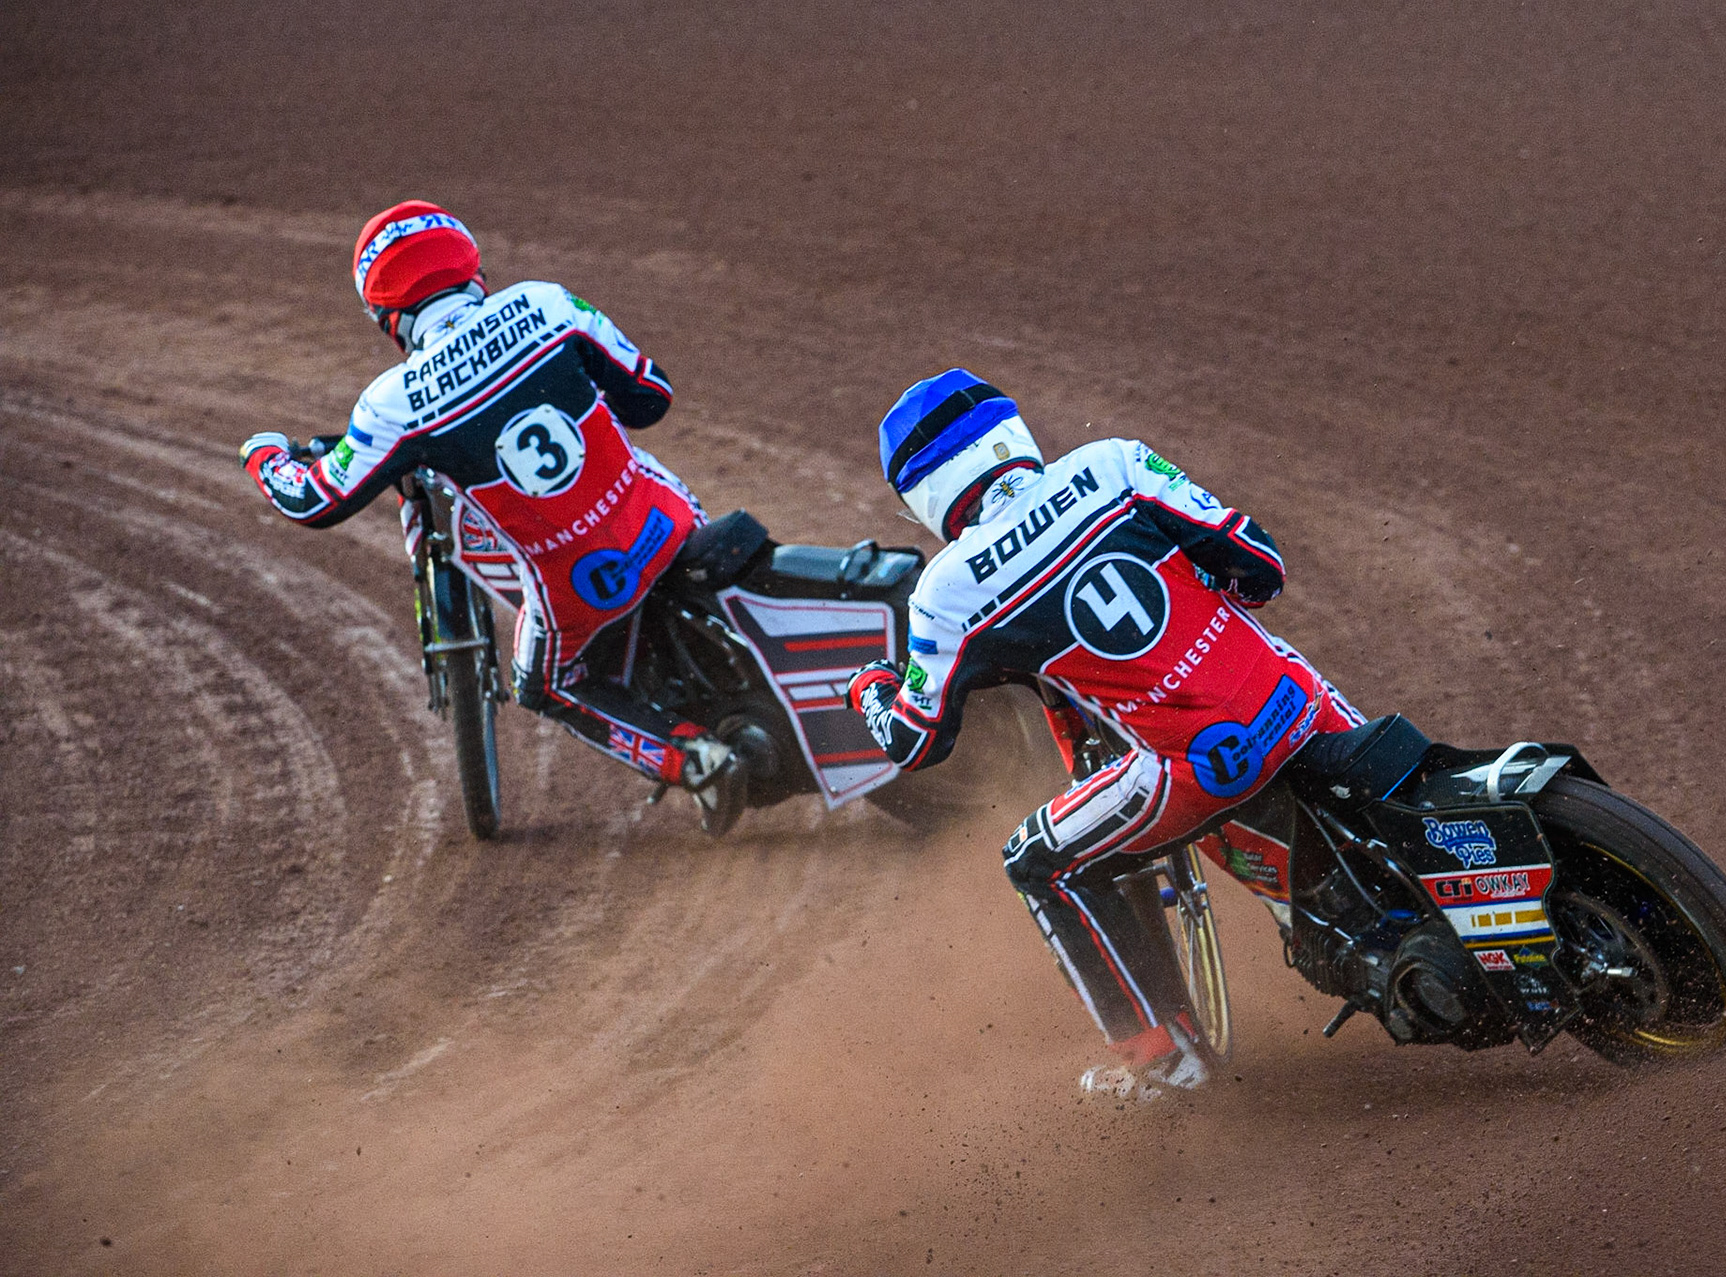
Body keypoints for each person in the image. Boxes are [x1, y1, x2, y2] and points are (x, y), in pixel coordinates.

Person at [846, 369, 1365, 1099]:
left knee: (1036, 860)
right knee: (1376, 762)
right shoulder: (1113, 462)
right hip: (1291, 696)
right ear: (1010, 432)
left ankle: (1162, 1058)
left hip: (1195, 766)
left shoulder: (948, 587)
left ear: (921, 496)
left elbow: (915, 742)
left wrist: (868, 690)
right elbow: (1261, 569)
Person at [240, 200, 766, 832]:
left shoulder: (394, 404)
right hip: (664, 514)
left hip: (575, 588)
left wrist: (263, 456)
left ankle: (694, 761)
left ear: (385, 317)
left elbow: (314, 500)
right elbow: (650, 397)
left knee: (543, 684)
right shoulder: (547, 304)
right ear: (473, 269)